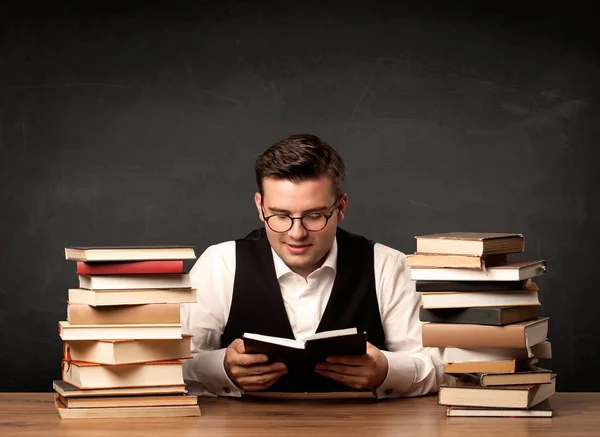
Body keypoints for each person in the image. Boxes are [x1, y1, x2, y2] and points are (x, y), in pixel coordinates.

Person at [181, 134, 445, 398]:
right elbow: (173, 365)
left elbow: (438, 366)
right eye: (280, 216)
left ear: (340, 208)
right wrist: (222, 368)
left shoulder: (388, 266)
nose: (297, 233)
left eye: (314, 215)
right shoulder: (220, 264)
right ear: (260, 207)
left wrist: (386, 370)